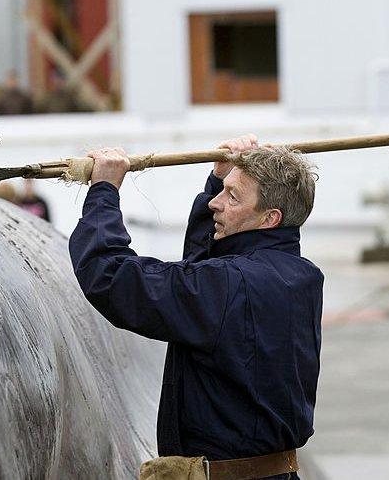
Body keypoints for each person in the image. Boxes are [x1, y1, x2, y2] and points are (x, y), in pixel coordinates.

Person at [69, 135, 322, 480]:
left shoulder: (228, 284)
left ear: (269, 218)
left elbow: (110, 276)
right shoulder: (299, 276)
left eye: (232, 196)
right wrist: (220, 177)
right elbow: (204, 273)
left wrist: (104, 191)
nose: (215, 203)